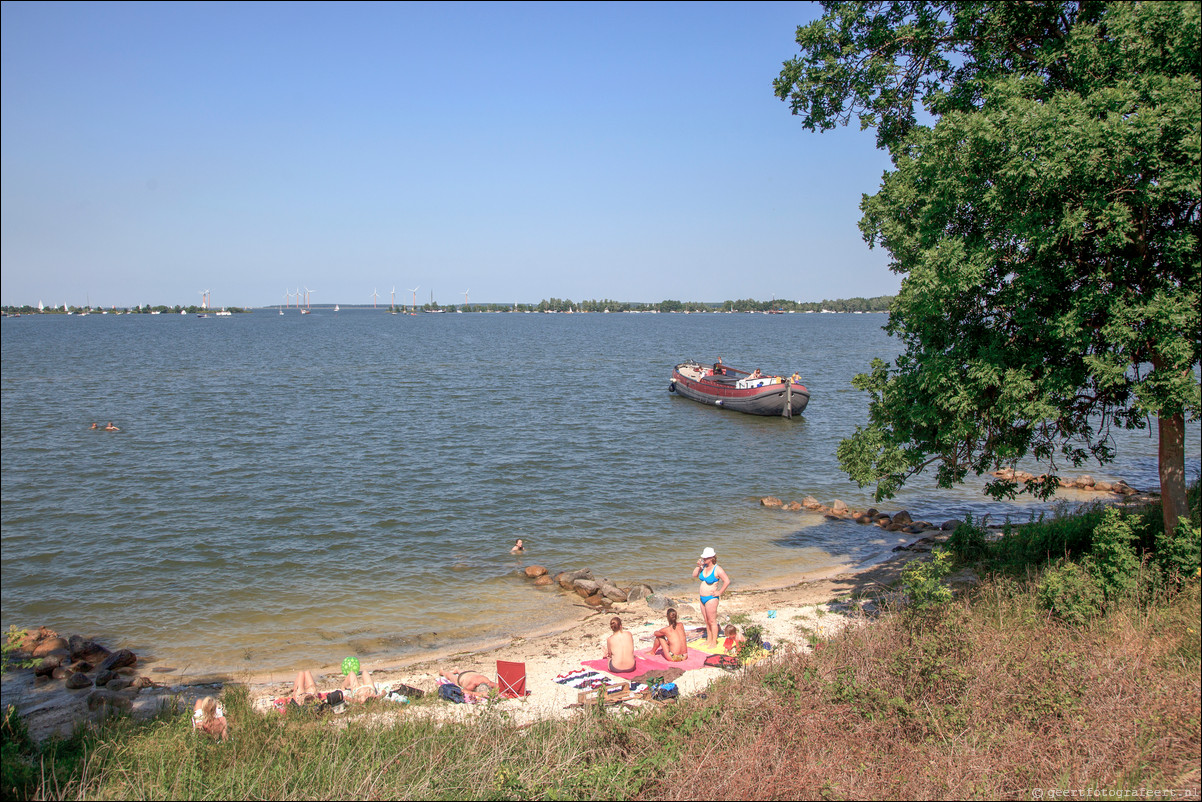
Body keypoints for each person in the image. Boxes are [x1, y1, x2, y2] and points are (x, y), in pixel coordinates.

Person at [693, 547, 731, 647]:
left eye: (705, 558)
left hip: (711, 598)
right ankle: (708, 639)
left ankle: (714, 641)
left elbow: (727, 581)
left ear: (711, 558)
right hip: (702, 598)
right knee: (706, 621)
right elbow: (694, 575)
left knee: (712, 621)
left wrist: (719, 592)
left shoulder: (717, 569)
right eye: (703, 558)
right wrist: (698, 566)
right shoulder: (704, 567)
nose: (704, 560)